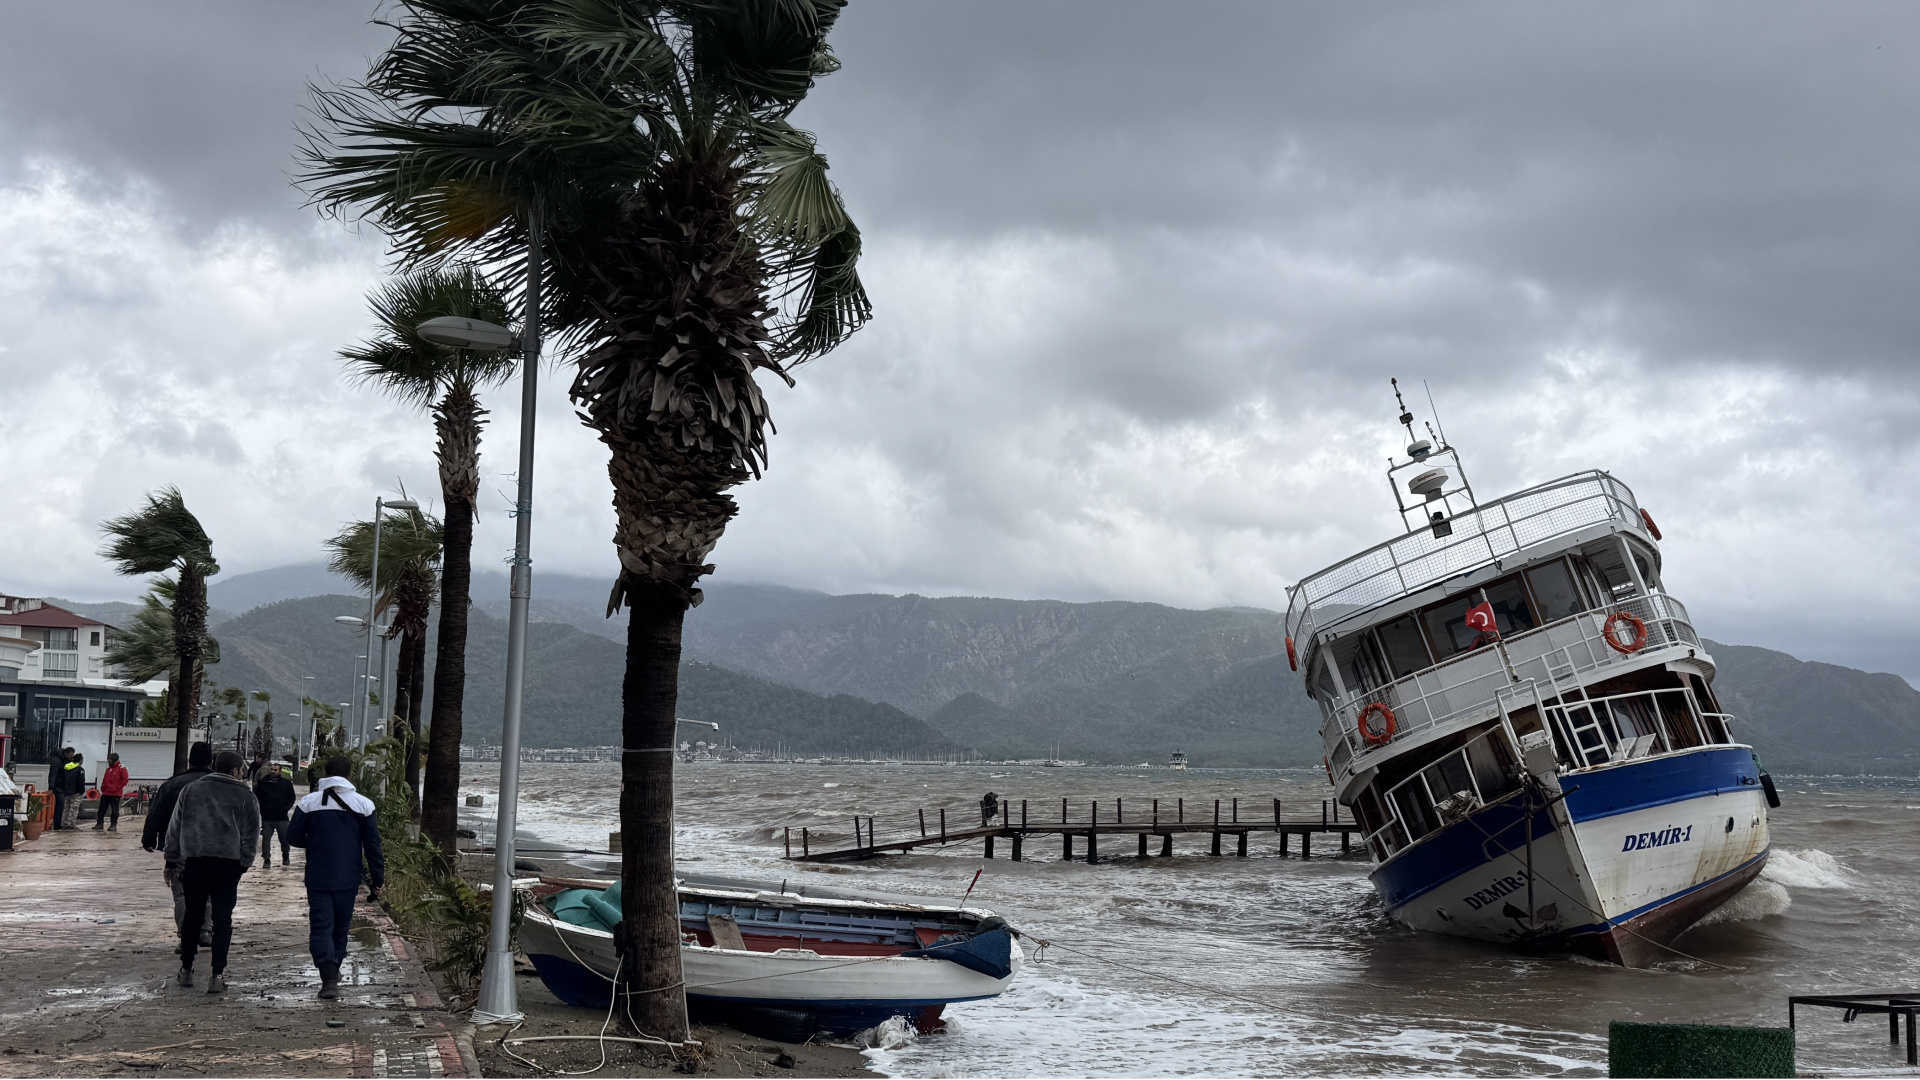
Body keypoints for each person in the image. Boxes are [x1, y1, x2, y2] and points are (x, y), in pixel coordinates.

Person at [287, 755, 384, 1000]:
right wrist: (377, 879)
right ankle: (333, 969)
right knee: (341, 927)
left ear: (326, 774)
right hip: (348, 876)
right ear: (349, 776)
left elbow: (293, 837)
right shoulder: (364, 804)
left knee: (321, 926)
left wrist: (316, 842)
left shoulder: (309, 802)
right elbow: (373, 846)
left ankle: (327, 975)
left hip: (318, 875)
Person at [165, 751, 259, 993]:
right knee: (222, 919)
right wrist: (244, 864)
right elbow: (251, 835)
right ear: (237, 770)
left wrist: (171, 860)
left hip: (195, 863)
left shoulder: (191, 790)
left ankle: (186, 970)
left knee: (192, 916)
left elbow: (174, 827)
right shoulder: (246, 796)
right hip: (228, 865)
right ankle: (217, 975)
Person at [145, 742, 216, 946]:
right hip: (212, 847)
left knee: (181, 893)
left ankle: (186, 933)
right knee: (208, 891)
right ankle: (205, 930)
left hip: (178, 846)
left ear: (189, 760)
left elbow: (156, 812)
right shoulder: (219, 785)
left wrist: (149, 839)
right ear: (210, 761)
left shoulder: (173, 784)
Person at [253, 757, 298, 869]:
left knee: (284, 838)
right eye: (272, 769)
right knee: (266, 839)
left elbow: (292, 798)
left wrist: (286, 808)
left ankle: (285, 855)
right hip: (267, 816)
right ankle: (266, 859)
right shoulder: (263, 783)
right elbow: (257, 797)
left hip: (282, 817)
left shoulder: (286, 784)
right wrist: (262, 809)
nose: (273, 771)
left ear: (280, 771)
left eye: (275, 770)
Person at [95, 752, 130, 832]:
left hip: (115, 794)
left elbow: (125, 780)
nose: (108, 761)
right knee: (101, 810)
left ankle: (113, 825)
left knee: (114, 810)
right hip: (106, 793)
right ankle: (99, 824)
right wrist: (102, 787)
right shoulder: (109, 769)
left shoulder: (122, 768)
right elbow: (105, 779)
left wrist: (117, 787)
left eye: (110, 759)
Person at [60, 751, 87, 829]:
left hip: (66, 791)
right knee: (73, 809)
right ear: (80, 760)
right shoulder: (80, 769)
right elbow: (81, 782)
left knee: (66, 808)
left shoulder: (66, 768)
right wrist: (81, 791)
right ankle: (71, 824)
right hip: (76, 792)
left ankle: (64, 823)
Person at [49, 747, 72, 829]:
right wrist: (51, 787)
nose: (71, 758)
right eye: (70, 755)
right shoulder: (57, 761)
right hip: (57, 786)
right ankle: (57, 824)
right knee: (60, 805)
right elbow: (53, 775)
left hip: (63, 786)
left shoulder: (65, 760)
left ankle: (58, 824)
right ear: (65, 753)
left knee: (62, 805)